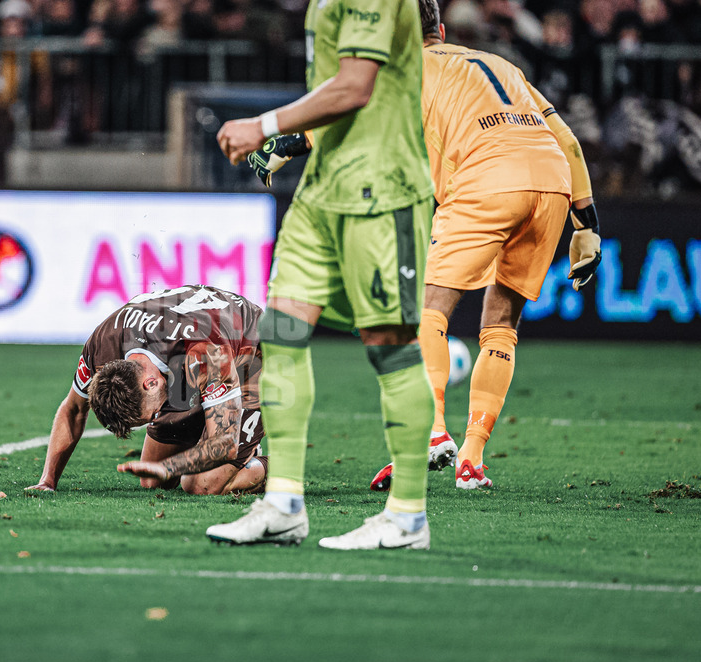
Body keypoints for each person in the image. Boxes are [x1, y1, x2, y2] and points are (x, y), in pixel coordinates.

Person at [207, 0, 436, 550]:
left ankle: (408, 515)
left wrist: (263, 126)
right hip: (321, 193)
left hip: (380, 194)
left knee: (390, 348)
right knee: (280, 334)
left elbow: (355, 86)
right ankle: (284, 504)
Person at [374, 0, 602, 490]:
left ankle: (432, 430)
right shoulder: (500, 64)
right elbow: (569, 141)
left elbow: (347, 116)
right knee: (501, 324)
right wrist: (587, 225)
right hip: (551, 184)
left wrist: (288, 141)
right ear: (440, 27)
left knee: (428, 310)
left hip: (487, 178)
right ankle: (472, 458)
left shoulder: (402, 68)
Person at [26, 285, 267, 496]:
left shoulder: (205, 352)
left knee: (200, 484)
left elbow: (224, 442)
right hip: (186, 357)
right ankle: (227, 438)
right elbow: (74, 410)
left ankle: (278, 466)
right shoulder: (102, 346)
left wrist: (168, 466)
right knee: (153, 481)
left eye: (153, 415)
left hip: (252, 352)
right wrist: (48, 481)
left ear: (150, 383)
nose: (157, 418)